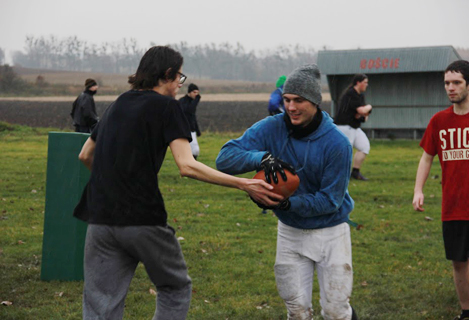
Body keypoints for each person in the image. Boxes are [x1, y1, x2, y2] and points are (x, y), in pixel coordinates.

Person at [73, 46, 280, 320]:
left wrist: (111, 180)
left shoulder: (119, 102)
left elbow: (85, 154)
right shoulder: (167, 107)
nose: (179, 86)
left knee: (101, 303)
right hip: (141, 218)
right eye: (179, 78)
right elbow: (187, 165)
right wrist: (244, 184)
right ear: (168, 74)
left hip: (98, 216)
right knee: (175, 287)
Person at [216, 64, 357, 320]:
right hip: (291, 232)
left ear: (315, 101)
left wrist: (286, 204)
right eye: (287, 99)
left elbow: (331, 200)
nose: (291, 107)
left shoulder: (337, 143)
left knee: (336, 312)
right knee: (297, 311)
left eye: (299, 100)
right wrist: (261, 158)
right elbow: (224, 159)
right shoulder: (272, 127)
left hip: (331, 231)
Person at [413, 60, 469, 320]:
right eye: (447, 83)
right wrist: (418, 190)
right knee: (459, 263)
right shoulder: (439, 121)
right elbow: (427, 158)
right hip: (452, 206)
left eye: (456, 83)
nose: (450, 88)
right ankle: (468, 313)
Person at [334, 74, 373, 181]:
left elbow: (364, 116)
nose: (367, 85)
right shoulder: (351, 94)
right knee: (345, 151)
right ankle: (339, 174)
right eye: (365, 82)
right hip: (344, 127)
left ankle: (355, 172)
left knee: (364, 147)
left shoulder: (360, 96)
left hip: (354, 127)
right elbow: (363, 111)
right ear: (358, 83)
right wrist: (369, 107)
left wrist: (363, 112)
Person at [178, 83, 202, 159]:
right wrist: (196, 100)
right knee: (194, 150)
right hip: (184, 129)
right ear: (189, 92)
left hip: (192, 129)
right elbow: (189, 110)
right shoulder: (182, 101)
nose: (196, 95)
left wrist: (197, 130)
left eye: (197, 93)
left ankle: (191, 165)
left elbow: (193, 117)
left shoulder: (192, 102)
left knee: (193, 150)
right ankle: (191, 164)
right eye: (194, 92)